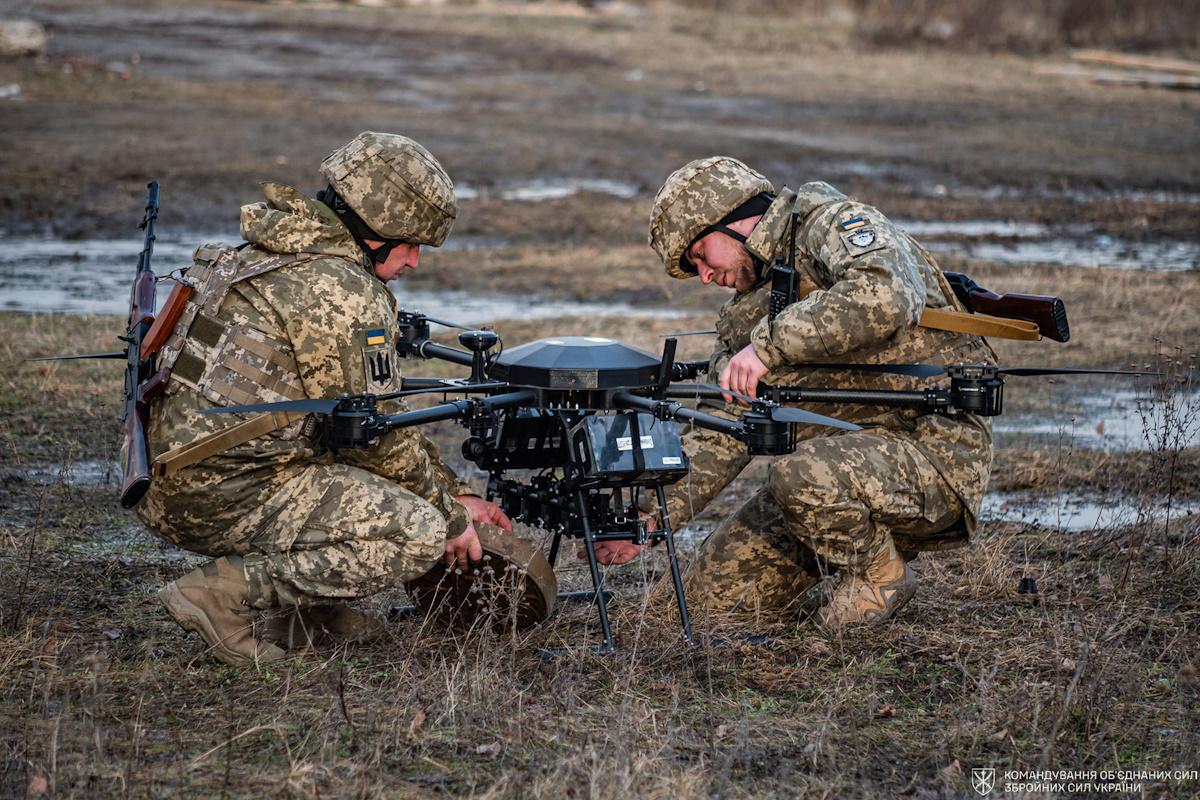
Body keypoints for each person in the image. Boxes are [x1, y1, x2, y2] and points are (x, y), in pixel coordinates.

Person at [138, 131, 511, 666]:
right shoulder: (341, 292)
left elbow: (363, 422)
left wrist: (450, 489)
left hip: (180, 475)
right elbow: (377, 439)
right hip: (222, 492)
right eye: (410, 243)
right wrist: (451, 514)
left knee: (353, 455)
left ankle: (307, 614)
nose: (414, 262)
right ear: (373, 227)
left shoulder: (267, 253)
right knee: (416, 532)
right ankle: (221, 596)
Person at [592, 156, 997, 627]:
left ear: (732, 218)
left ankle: (880, 575)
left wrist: (768, 347)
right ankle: (829, 570)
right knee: (703, 605)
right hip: (829, 477)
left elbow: (886, 294)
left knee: (797, 475)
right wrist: (648, 519)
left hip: (931, 457)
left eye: (701, 254)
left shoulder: (831, 223)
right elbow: (723, 425)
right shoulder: (748, 309)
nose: (704, 275)